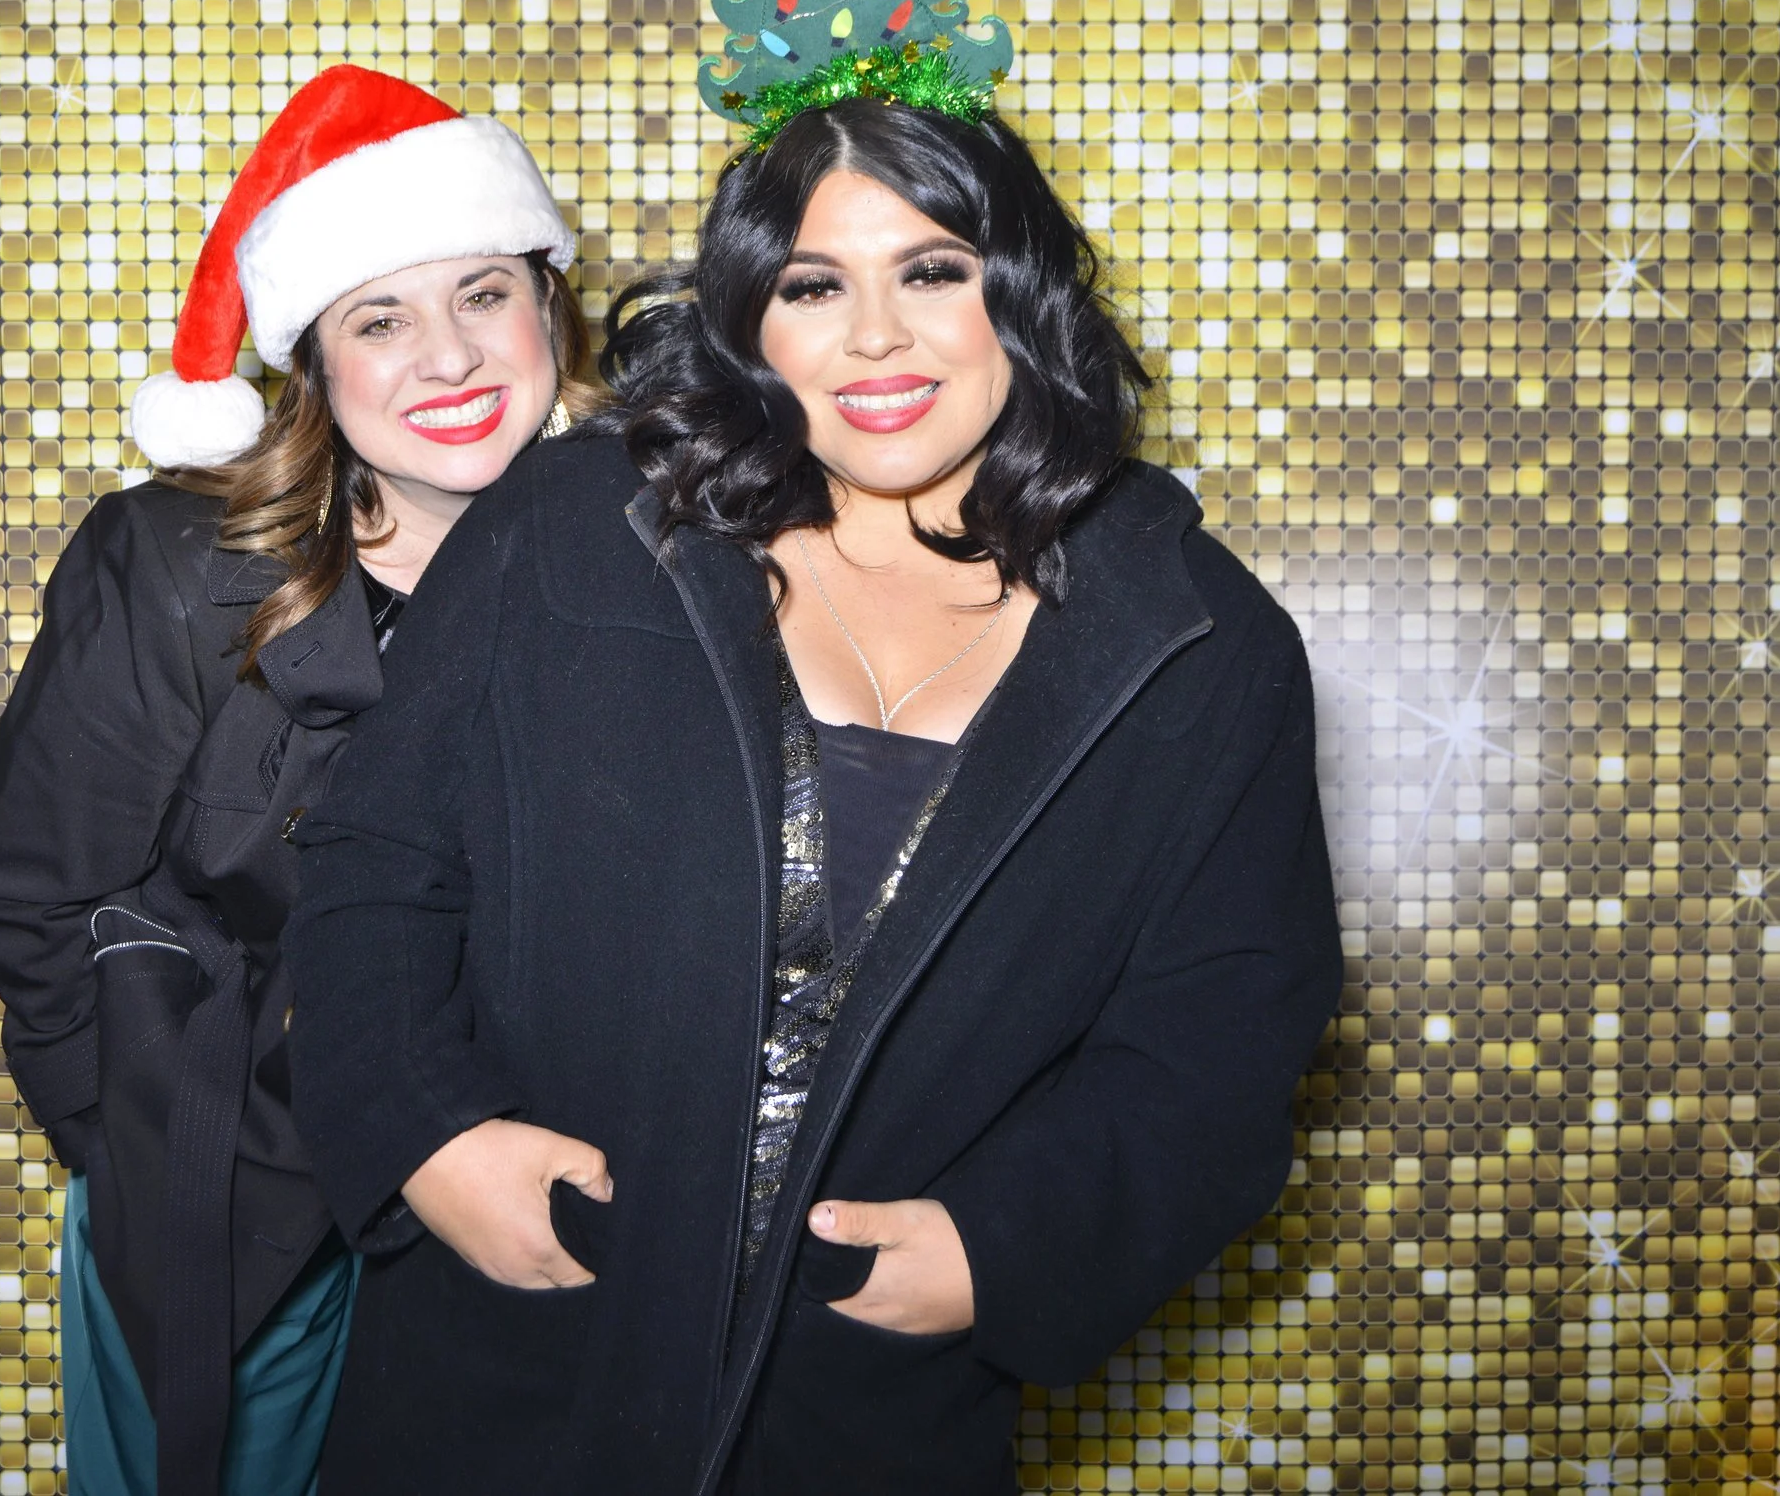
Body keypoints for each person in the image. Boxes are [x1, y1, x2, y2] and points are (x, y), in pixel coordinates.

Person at [279, 77, 1345, 1486]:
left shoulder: (1201, 645)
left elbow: (1216, 1049)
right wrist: (429, 1136)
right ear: (751, 322)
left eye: (933, 271)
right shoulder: (576, 529)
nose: (877, 336)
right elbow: (373, 869)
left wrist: (994, 1251)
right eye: (813, 284)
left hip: (865, 1409)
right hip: (512, 1357)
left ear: (1017, 294)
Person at [0, 63, 598, 1496]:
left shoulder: (634, 558)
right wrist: (137, 1129)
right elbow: (26, 882)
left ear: (549, 311)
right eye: (382, 317)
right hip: (229, 1167)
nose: (450, 358)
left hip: (504, 1167)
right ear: (315, 362)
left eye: (485, 294)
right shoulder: (178, 567)